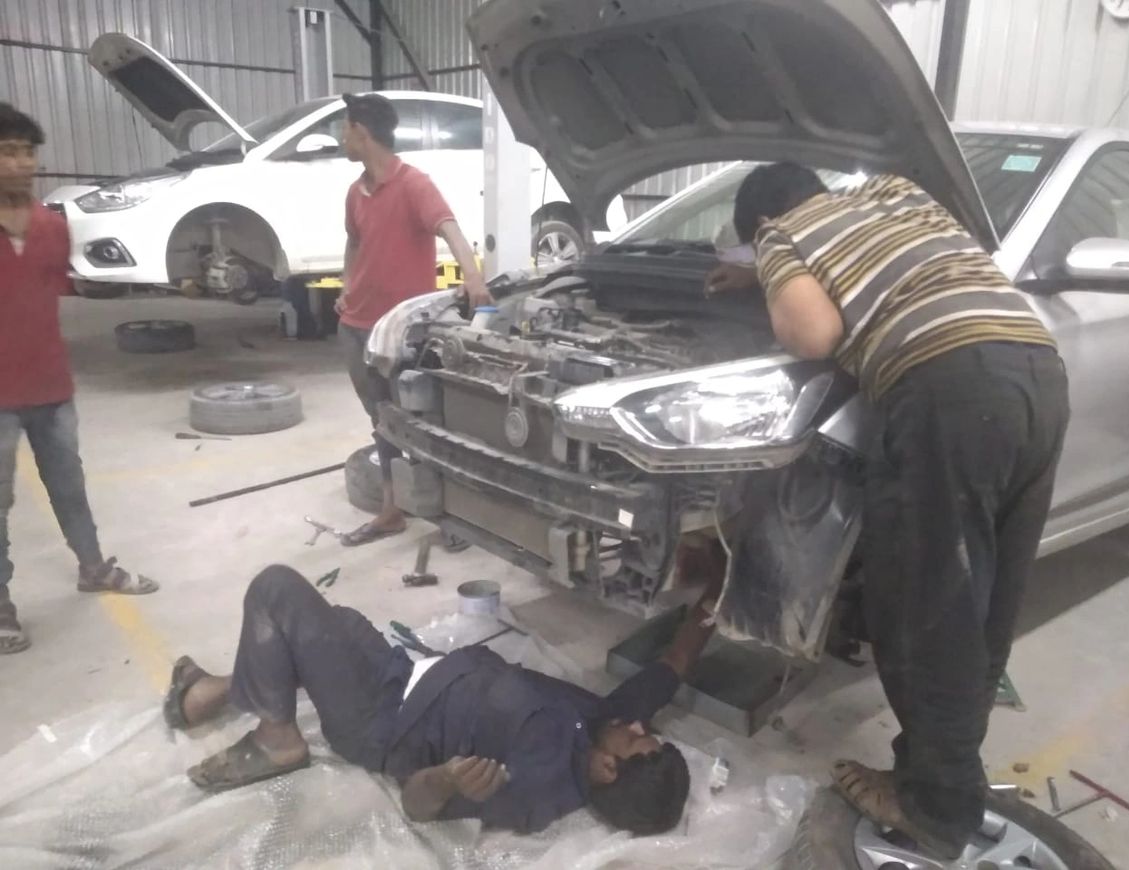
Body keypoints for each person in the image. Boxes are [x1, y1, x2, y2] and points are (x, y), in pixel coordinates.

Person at [707, 165, 1069, 858]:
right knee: (982, 605)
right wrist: (765, 276)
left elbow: (813, 335)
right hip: (1038, 375)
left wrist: (774, 271)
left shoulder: (783, 236)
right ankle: (941, 773)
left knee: (923, 607)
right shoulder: (897, 193)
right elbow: (890, 268)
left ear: (756, 230)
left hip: (947, 389)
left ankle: (933, 805)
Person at [161, 557, 723, 834]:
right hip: (402, 672)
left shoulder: (535, 788)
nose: (641, 728)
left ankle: (277, 737)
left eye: (639, 743)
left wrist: (446, 780)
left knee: (276, 589)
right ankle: (207, 694)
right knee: (331, 622)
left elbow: (417, 805)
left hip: (379, 719)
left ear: (607, 769)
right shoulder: (608, 720)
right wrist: (722, 591)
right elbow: (675, 663)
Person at [0, 104, 158, 655]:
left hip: (51, 387)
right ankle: (2, 610)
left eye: (27, 152)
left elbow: (60, 290)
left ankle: (93, 568)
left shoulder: (51, 227)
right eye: (7, 152)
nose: (20, 164)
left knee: (70, 487)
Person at [336, 93, 492, 547]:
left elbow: (450, 230)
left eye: (345, 129)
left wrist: (474, 278)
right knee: (381, 420)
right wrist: (347, 286)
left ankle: (451, 516)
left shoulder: (414, 184)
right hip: (357, 327)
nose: (342, 138)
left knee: (426, 421)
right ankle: (391, 510)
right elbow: (353, 243)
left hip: (405, 332)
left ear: (362, 133)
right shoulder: (355, 192)